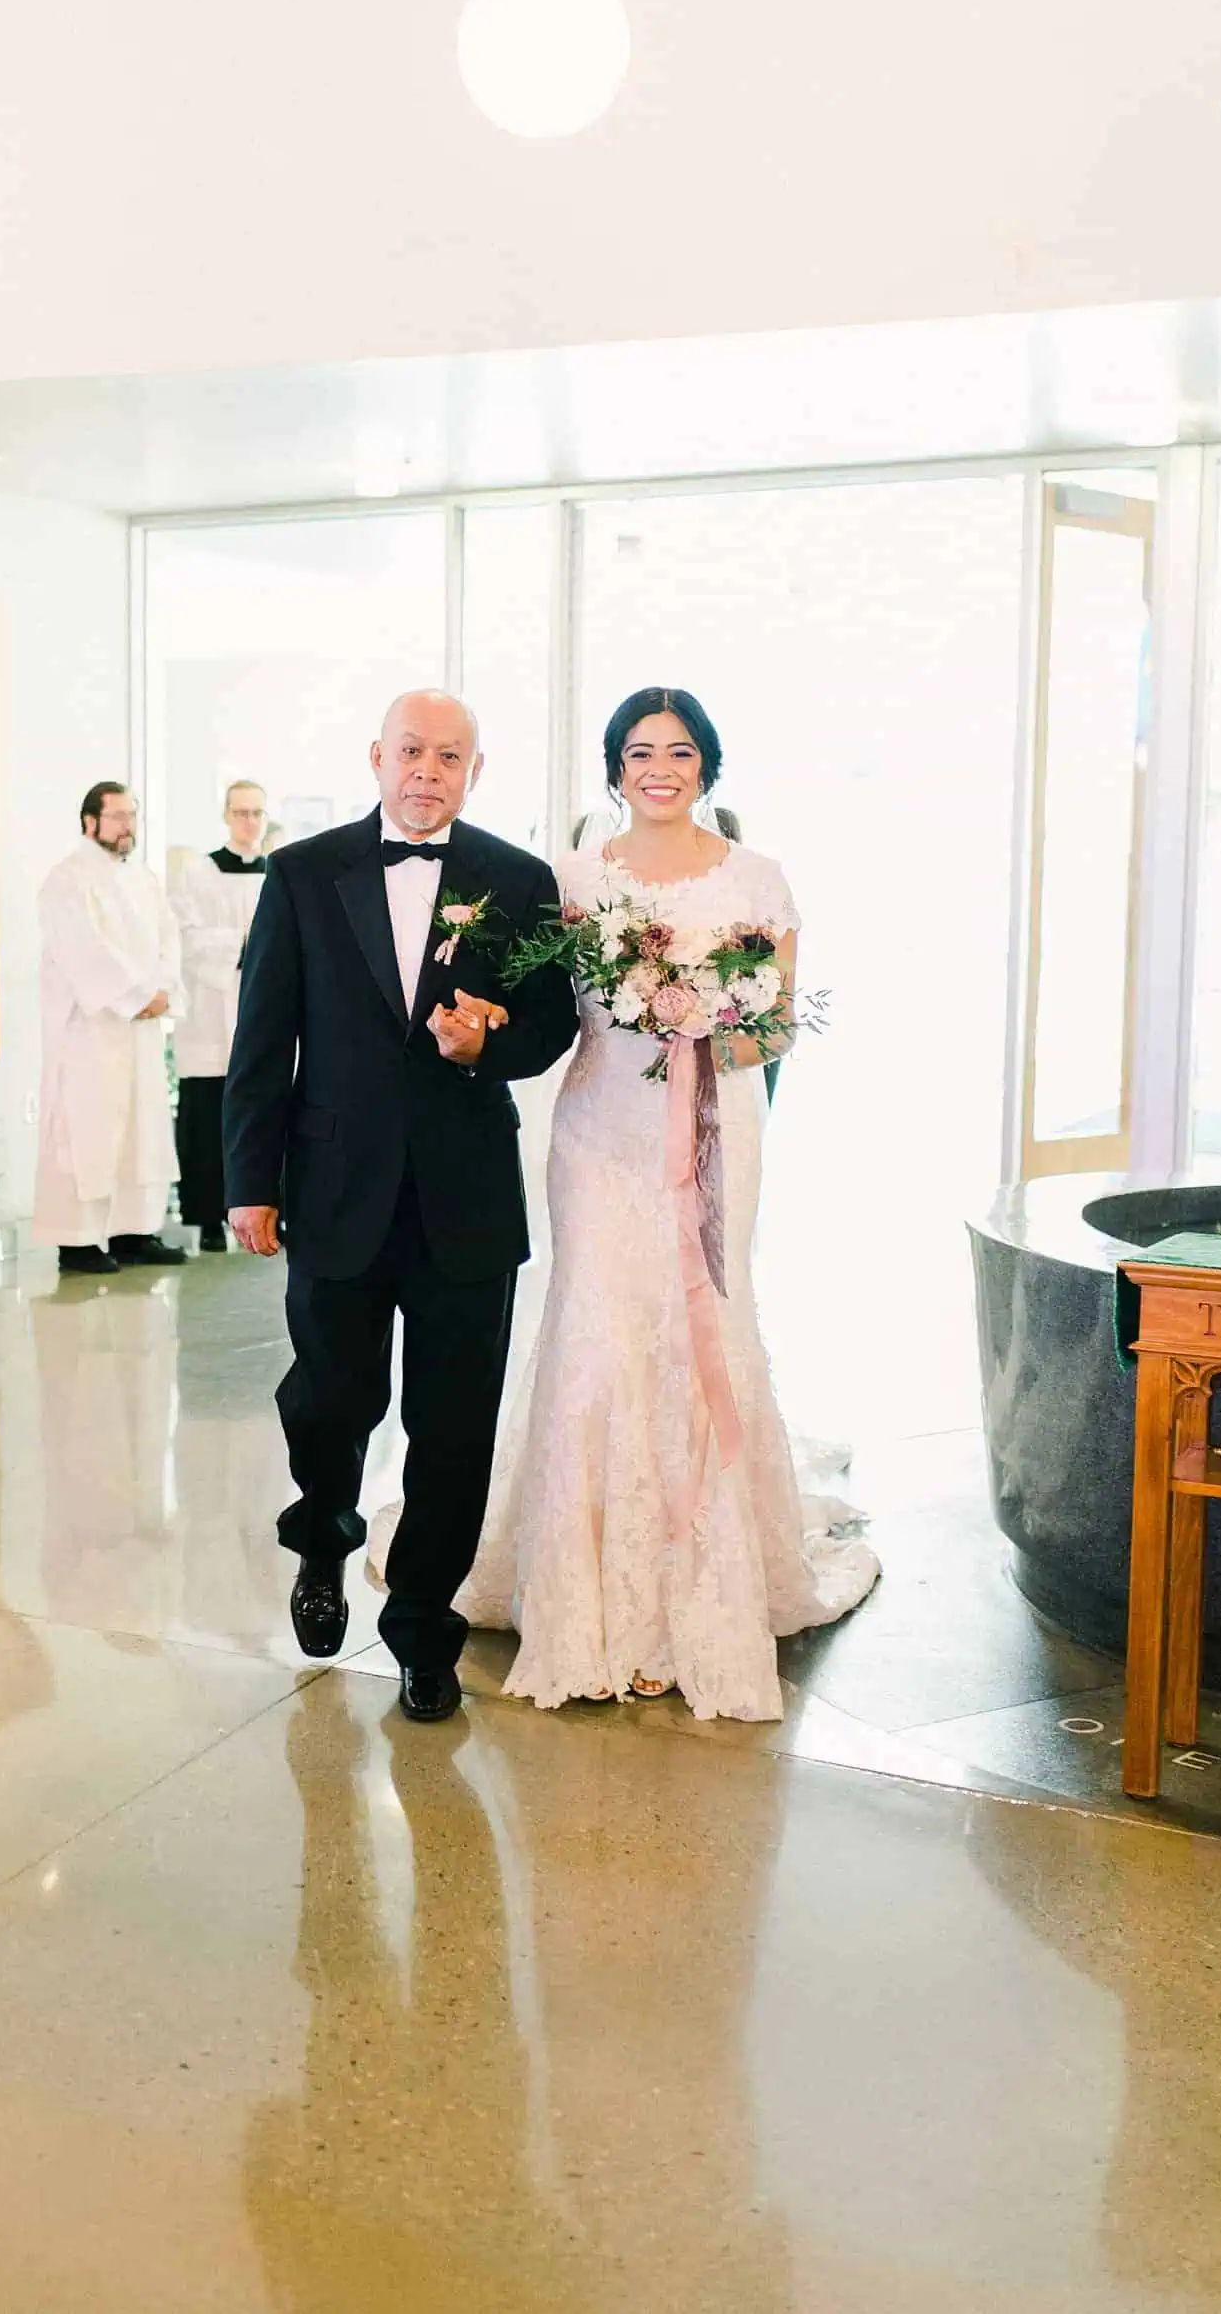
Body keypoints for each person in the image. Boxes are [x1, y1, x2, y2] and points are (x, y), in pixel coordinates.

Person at [451, 686, 880, 1720]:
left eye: (679, 751)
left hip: (718, 1129)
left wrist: (709, 1028)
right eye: (639, 750)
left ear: (707, 766)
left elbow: (775, 1028)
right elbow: (546, 1006)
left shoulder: (757, 877)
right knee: (600, 1330)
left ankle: (698, 1593)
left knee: (701, 1329)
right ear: (611, 767)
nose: (659, 767)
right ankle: (590, 1599)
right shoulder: (573, 878)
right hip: (599, 1130)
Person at [223, 690, 578, 1723]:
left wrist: (488, 1046)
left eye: (451, 755)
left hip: (465, 1196)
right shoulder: (301, 872)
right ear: (376, 756)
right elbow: (261, 1039)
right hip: (333, 1189)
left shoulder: (517, 880)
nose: (429, 769)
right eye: (412, 750)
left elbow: (551, 1023)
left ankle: (424, 1625)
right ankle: (324, 1537)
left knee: (453, 1426)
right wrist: (249, 1182)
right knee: (330, 1399)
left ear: (476, 769)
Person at [33, 782, 188, 1277]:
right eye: (118, 816)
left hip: (139, 1032)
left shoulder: (143, 879)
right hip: (91, 1031)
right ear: (89, 822)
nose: (127, 826)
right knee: (86, 1131)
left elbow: (169, 937)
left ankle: (133, 1232)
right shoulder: (67, 880)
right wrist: (137, 997)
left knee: (141, 1132)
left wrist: (161, 991)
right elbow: (85, 950)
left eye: (132, 816)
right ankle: (76, 1242)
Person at [171, 779, 269, 1250]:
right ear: (227, 816)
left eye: (257, 813)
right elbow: (186, 936)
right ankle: (209, 1218)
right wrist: (245, 947)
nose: (249, 822)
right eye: (241, 813)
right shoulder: (200, 873)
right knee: (209, 1118)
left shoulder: (281, 874)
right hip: (213, 1010)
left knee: (269, 1115)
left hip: (262, 1008)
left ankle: (276, 1211)